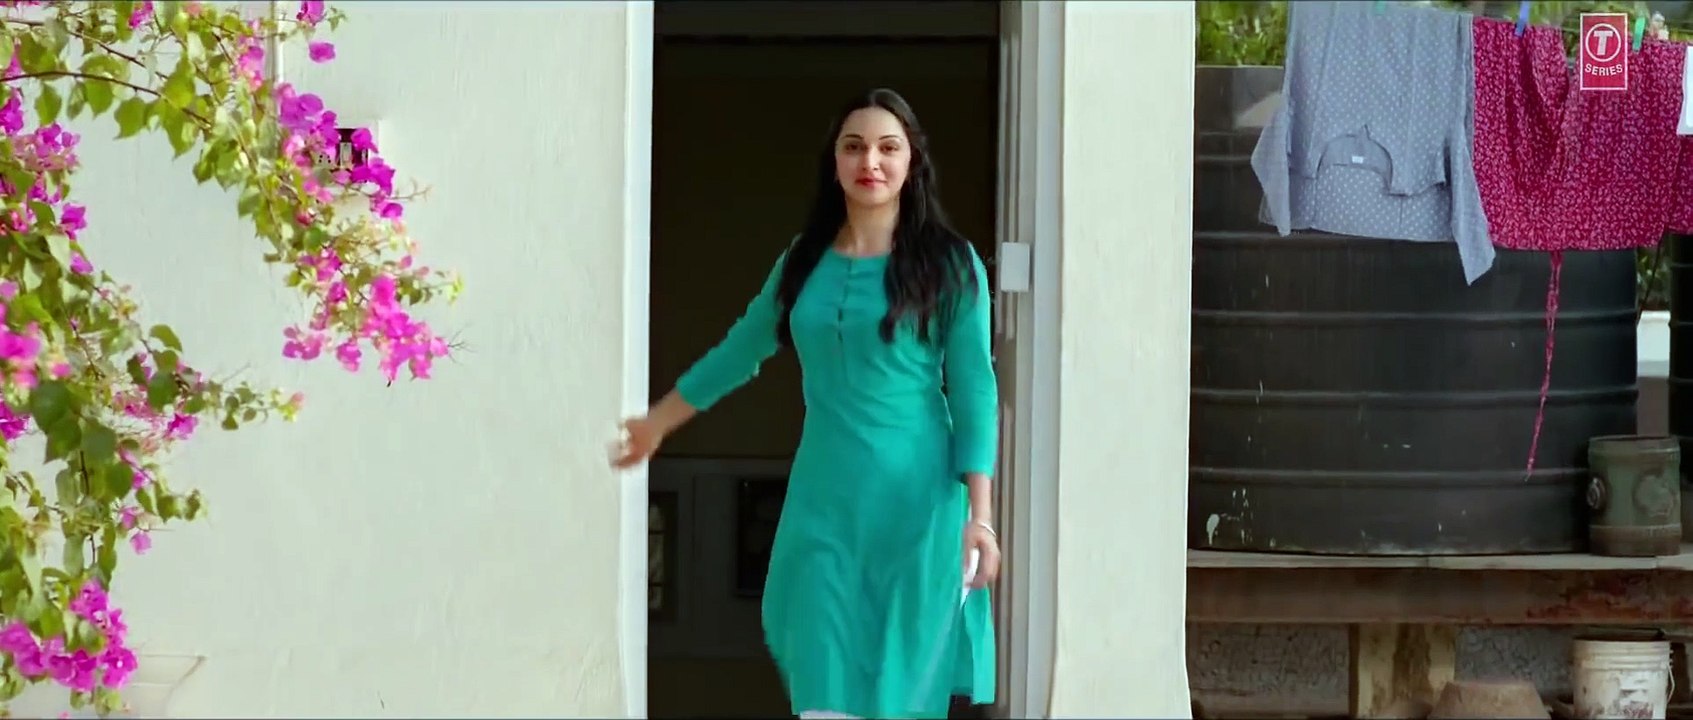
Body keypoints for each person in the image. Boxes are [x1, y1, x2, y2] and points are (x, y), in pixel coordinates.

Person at [612, 87, 1000, 720]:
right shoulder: (803, 261)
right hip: (825, 500)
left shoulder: (951, 266)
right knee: (821, 675)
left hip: (919, 504)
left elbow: (975, 387)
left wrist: (980, 517)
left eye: (887, 147)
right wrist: (658, 423)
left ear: (911, 162)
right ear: (834, 161)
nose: (870, 161)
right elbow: (742, 350)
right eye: (854, 146)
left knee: (898, 692)